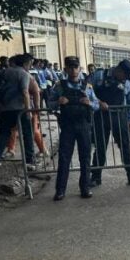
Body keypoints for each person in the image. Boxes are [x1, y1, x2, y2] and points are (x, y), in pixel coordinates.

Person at [49, 56, 99, 201]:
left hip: (84, 125)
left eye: (75, 67)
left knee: (85, 158)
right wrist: (58, 102)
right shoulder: (59, 86)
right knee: (64, 158)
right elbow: (49, 104)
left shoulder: (87, 86)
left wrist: (89, 103)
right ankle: (60, 190)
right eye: (70, 67)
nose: (73, 70)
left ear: (80, 68)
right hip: (68, 126)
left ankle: (85, 188)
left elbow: (96, 104)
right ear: (65, 69)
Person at [90, 59, 130, 186]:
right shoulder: (99, 75)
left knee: (126, 146)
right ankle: (96, 177)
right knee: (100, 147)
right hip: (101, 116)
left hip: (119, 116)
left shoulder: (127, 83)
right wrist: (98, 103)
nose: (126, 78)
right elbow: (87, 92)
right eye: (125, 75)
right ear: (119, 70)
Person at [0, 54, 36, 169]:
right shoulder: (24, 74)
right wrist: (28, 109)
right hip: (20, 109)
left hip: (6, 108)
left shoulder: (5, 72)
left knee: (3, 133)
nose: (30, 66)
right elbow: (25, 92)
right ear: (25, 63)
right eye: (30, 63)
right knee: (27, 134)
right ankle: (29, 161)